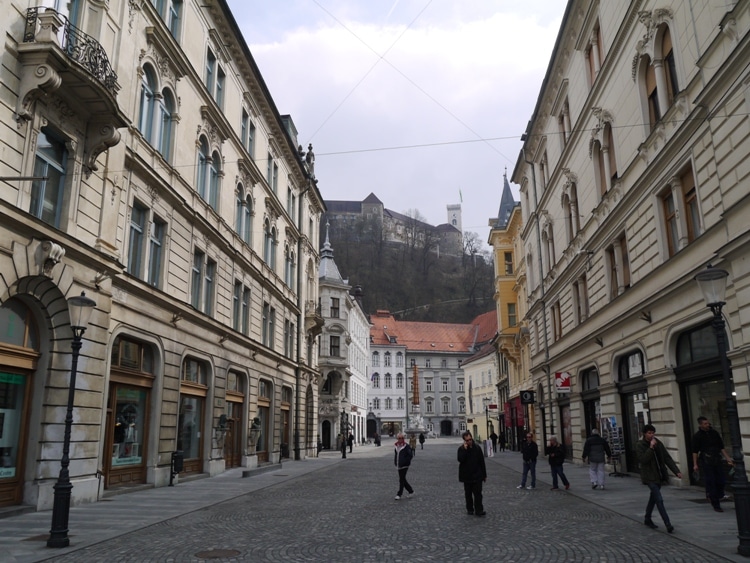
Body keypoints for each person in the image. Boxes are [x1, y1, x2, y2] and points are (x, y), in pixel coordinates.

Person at [636, 424, 682, 533]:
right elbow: (643, 460)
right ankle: (668, 524)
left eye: (653, 433)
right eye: (649, 433)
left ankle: (647, 518)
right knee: (659, 499)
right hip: (649, 476)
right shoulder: (640, 445)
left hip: (659, 475)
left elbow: (666, 457)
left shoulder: (658, 443)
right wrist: (651, 448)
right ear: (644, 434)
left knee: (653, 498)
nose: (651, 435)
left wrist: (676, 471)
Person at [692, 416, 733, 512]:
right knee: (711, 481)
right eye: (705, 423)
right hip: (706, 460)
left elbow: (721, 447)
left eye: (708, 423)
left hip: (717, 459)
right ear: (700, 425)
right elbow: (694, 451)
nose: (707, 425)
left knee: (721, 480)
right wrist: (695, 464)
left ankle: (715, 495)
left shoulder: (714, 433)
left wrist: (728, 459)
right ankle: (716, 504)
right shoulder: (697, 436)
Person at [457, 430, 487, 516]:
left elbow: (482, 462)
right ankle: (470, 509)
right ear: (464, 441)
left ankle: (479, 510)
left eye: (470, 439)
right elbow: (460, 459)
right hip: (467, 476)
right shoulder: (461, 449)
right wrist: (465, 450)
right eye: (467, 440)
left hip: (477, 475)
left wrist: (484, 475)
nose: (469, 441)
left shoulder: (477, 448)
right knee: (468, 494)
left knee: (478, 494)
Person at [394, 433, 414, 500]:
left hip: (404, 465)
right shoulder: (396, 446)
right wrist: (395, 462)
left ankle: (399, 494)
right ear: (397, 439)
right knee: (403, 479)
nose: (401, 439)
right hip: (399, 465)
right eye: (399, 438)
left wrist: (406, 462)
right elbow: (396, 455)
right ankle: (410, 491)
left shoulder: (406, 446)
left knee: (401, 479)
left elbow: (410, 455)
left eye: (402, 438)